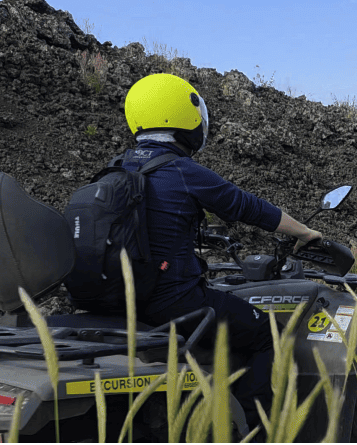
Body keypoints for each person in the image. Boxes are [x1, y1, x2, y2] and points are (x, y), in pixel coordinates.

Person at [118, 73, 322, 435]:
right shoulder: (181, 170)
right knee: (269, 335)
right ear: (186, 116)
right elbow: (250, 208)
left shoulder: (114, 169)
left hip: (118, 302)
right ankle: (258, 430)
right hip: (171, 302)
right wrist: (305, 232)